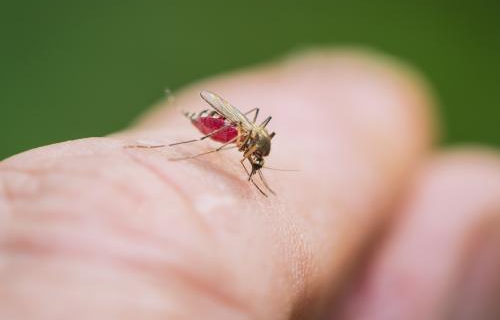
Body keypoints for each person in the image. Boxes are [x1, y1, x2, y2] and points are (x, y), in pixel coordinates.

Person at [1, 50, 499, 319]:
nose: (255, 163)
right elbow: (245, 139)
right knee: (223, 142)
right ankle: (171, 148)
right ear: (256, 150)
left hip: (236, 126)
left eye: (256, 161)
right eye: (256, 160)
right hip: (226, 122)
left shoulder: (257, 148)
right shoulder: (246, 139)